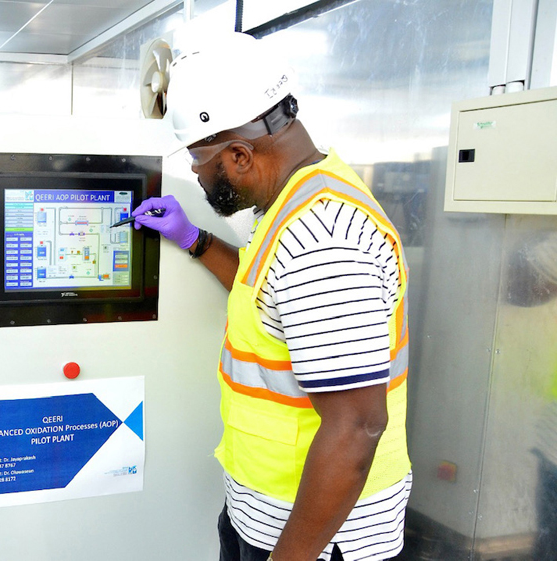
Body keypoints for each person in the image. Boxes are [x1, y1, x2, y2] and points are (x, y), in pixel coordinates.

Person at [133, 33, 411, 561]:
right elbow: (272, 296)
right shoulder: (294, 199)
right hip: (265, 514)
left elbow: (356, 427)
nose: (195, 172)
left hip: (318, 541)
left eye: (198, 159)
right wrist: (195, 239)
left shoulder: (324, 241)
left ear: (239, 154)